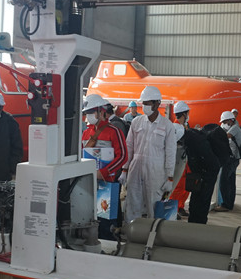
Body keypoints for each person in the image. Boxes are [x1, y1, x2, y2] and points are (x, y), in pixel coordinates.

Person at [122, 86, 177, 222]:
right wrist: (124, 169)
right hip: (136, 168)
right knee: (132, 202)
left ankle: (153, 232)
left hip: (156, 170)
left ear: (157, 103)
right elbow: (129, 146)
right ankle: (131, 230)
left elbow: (170, 152)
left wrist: (170, 177)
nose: (144, 106)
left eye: (147, 103)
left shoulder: (167, 125)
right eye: (143, 103)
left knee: (154, 204)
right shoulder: (136, 122)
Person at [82, 94, 127, 240]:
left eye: (91, 112)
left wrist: (104, 172)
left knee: (107, 221)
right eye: (87, 113)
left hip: (108, 184)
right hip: (88, 184)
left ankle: (109, 245)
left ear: (100, 111)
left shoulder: (114, 131)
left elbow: (123, 156)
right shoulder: (86, 133)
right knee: (90, 218)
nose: (88, 116)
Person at [176, 108, 221, 224]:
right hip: (200, 171)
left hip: (208, 172)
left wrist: (201, 175)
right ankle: (193, 222)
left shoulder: (195, 141)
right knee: (195, 199)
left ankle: (199, 225)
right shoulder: (189, 136)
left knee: (203, 200)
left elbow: (207, 159)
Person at [213, 110, 241, 212]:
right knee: (230, 181)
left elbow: (225, 136)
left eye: (225, 122)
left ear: (230, 120)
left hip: (232, 159)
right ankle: (229, 204)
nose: (224, 124)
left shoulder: (235, 128)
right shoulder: (231, 127)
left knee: (224, 181)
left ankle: (225, 204)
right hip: (232, 158)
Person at [169, 101, 192, 218]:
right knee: (176, 186)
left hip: (184, 161)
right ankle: (173, 209)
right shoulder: (176, 128)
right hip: (177, 161)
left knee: (184, 186)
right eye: (187, 113)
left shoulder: (184, 126)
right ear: (183, 114)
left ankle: (180, 206)